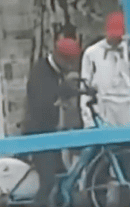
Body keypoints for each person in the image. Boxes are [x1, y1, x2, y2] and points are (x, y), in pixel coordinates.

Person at [21, 37, 81, 206]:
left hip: (52, 133)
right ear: (59, 57)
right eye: (69, 62)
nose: (71, 66)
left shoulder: (57, 72)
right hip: (38, 133)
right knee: (48, 181)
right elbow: (42, 102)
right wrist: (63, 91)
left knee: (63, 177)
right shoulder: (40, 71)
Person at [80, 11, 130, 128]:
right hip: (103, 109)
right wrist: (88, 122)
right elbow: (85, 89)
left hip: (129, 109)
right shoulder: (92, 53)